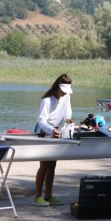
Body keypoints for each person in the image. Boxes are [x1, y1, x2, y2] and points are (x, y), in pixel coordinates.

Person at [32, 73, 74, 207]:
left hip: (56, 130)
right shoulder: (47, 100)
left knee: (52, 165)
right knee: (44, 165)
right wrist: (51, 130)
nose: (65, 94)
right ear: (57, 87)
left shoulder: (66, 96)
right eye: (63, 91)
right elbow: (41, 120)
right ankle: (37, 197)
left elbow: (68, 110)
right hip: (44, 131)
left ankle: (48, 195)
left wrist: (68, 119)